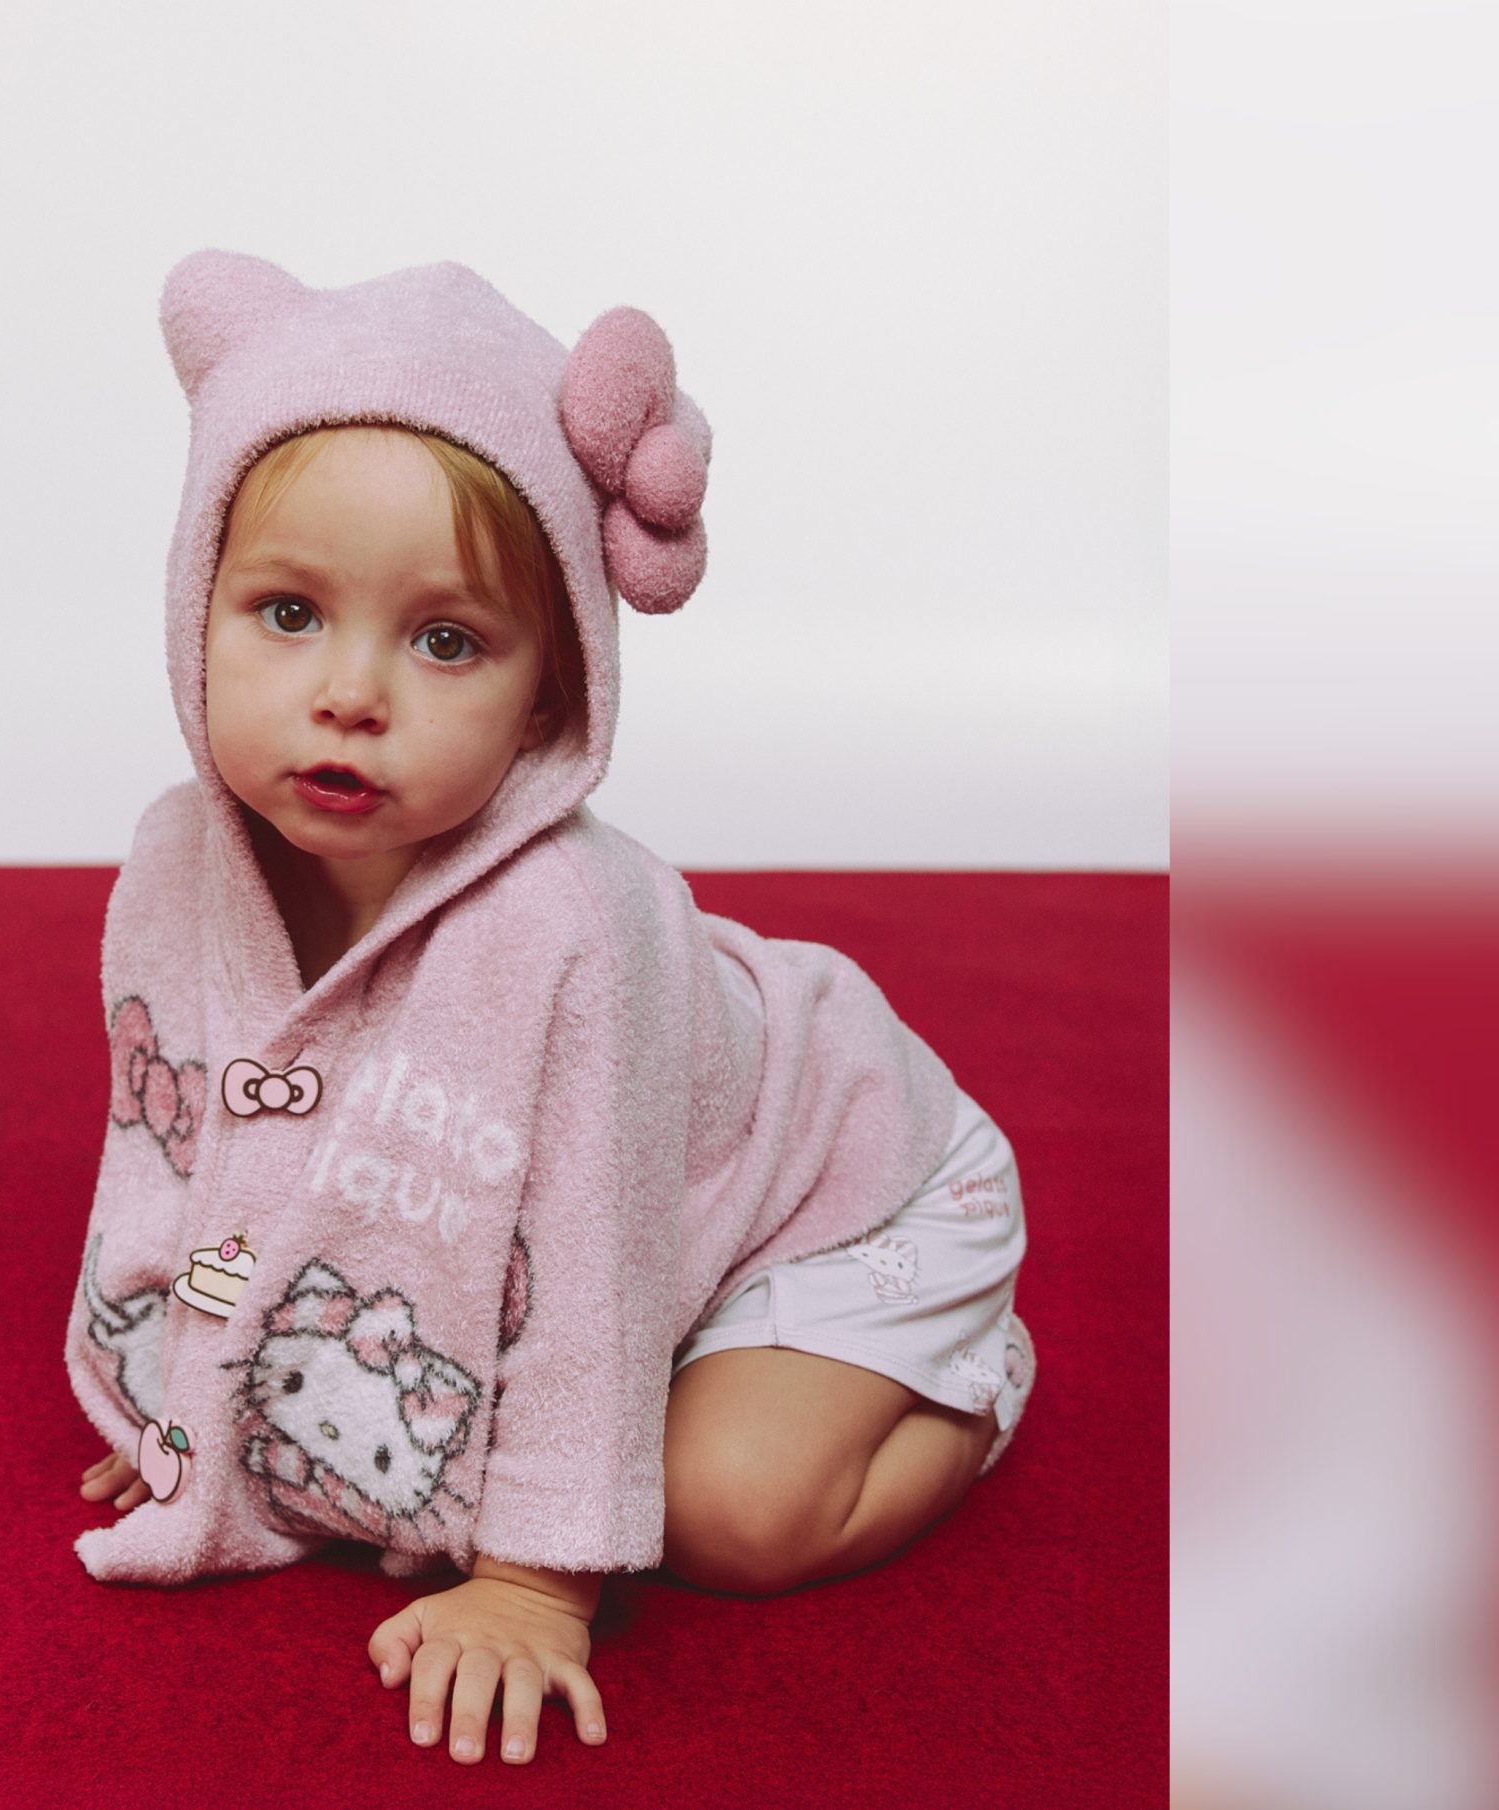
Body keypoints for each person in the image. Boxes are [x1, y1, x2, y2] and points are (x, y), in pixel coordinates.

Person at [66, 249, 1033, 1765]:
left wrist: (532, 1580)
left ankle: (965, 1383)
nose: (350, 693)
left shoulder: (576, 927)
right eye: (288, 611)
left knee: (727, 1513)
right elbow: (192, 1149)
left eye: (446, 639)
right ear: (198, 604)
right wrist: (201, 1396)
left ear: (550, 690)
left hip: (844, 1193)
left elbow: (591, 1256)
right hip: (680, 1197)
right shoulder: (177, 862)